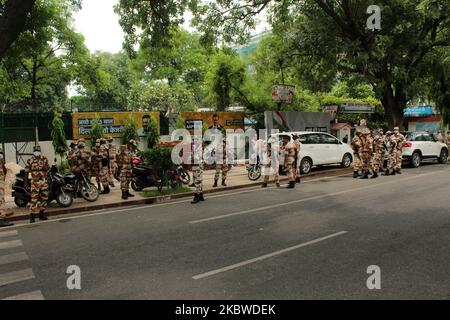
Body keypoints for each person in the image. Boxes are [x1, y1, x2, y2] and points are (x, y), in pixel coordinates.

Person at [25, 145, 50, 223]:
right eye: (35, 151)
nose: (37, 152)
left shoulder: (44, 159)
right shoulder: (30, 160)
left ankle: (41, 214)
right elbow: (26, 171)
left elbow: (47, 169)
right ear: (33, 152)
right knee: (34, 200)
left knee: (45, 198)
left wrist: (44, 167)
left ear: (40, 151)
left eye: (38, 151)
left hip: (43, 182)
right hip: (34, 182)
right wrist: (25, 183)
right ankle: (32, 217)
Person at [0, 150, 14, 227]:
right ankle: (1, 221)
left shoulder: (2, 163)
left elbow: (4, 171)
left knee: (2, 201)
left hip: (1, 184)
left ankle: (3, 219)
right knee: (1, 202)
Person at [191, 137, 205, 204]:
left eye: (195, 140)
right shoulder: (195, 147)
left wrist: (191, 157)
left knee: (197, 181)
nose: (194, 141)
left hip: (197, 165)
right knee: (199, 180)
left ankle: (197, 196)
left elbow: (196, 157)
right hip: (196, 165)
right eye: (193, 140)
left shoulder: (199, 148)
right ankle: (201, 195)